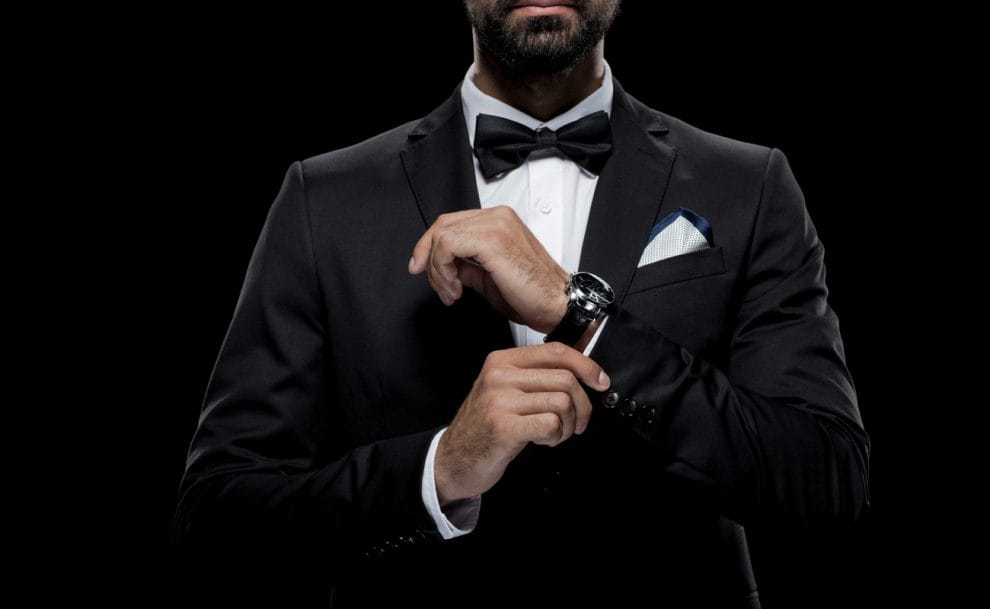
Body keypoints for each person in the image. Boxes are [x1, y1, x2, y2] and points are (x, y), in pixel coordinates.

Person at [174, 1, 870, 607]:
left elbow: (828, 482)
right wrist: (439, 470)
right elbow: (220, 522)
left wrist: (584, 316)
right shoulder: (321, 203)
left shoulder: (750, 186)